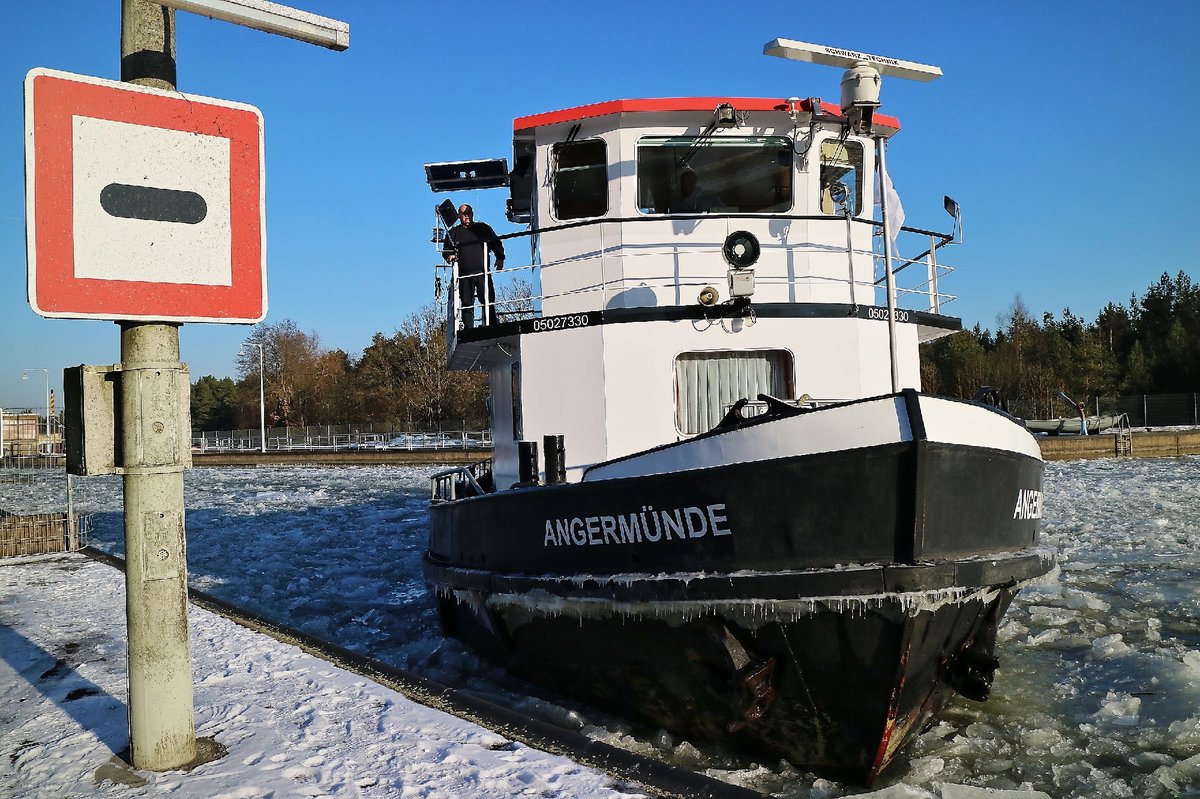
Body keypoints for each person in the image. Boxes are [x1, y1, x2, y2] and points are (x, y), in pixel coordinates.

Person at [442, 204, 505, 328]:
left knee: (488, 300)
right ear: (459, 216)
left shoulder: (483, 228)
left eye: (469, 213)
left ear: (473, 213)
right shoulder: (454, 233)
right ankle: (469, 328)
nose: (467, 216)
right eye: (464, 214)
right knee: (467, 303)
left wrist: (500, 258)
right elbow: (446, 250)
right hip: (464, 275)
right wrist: (450, 256)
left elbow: (496, 243)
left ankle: (491, 325)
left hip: (483, 273)